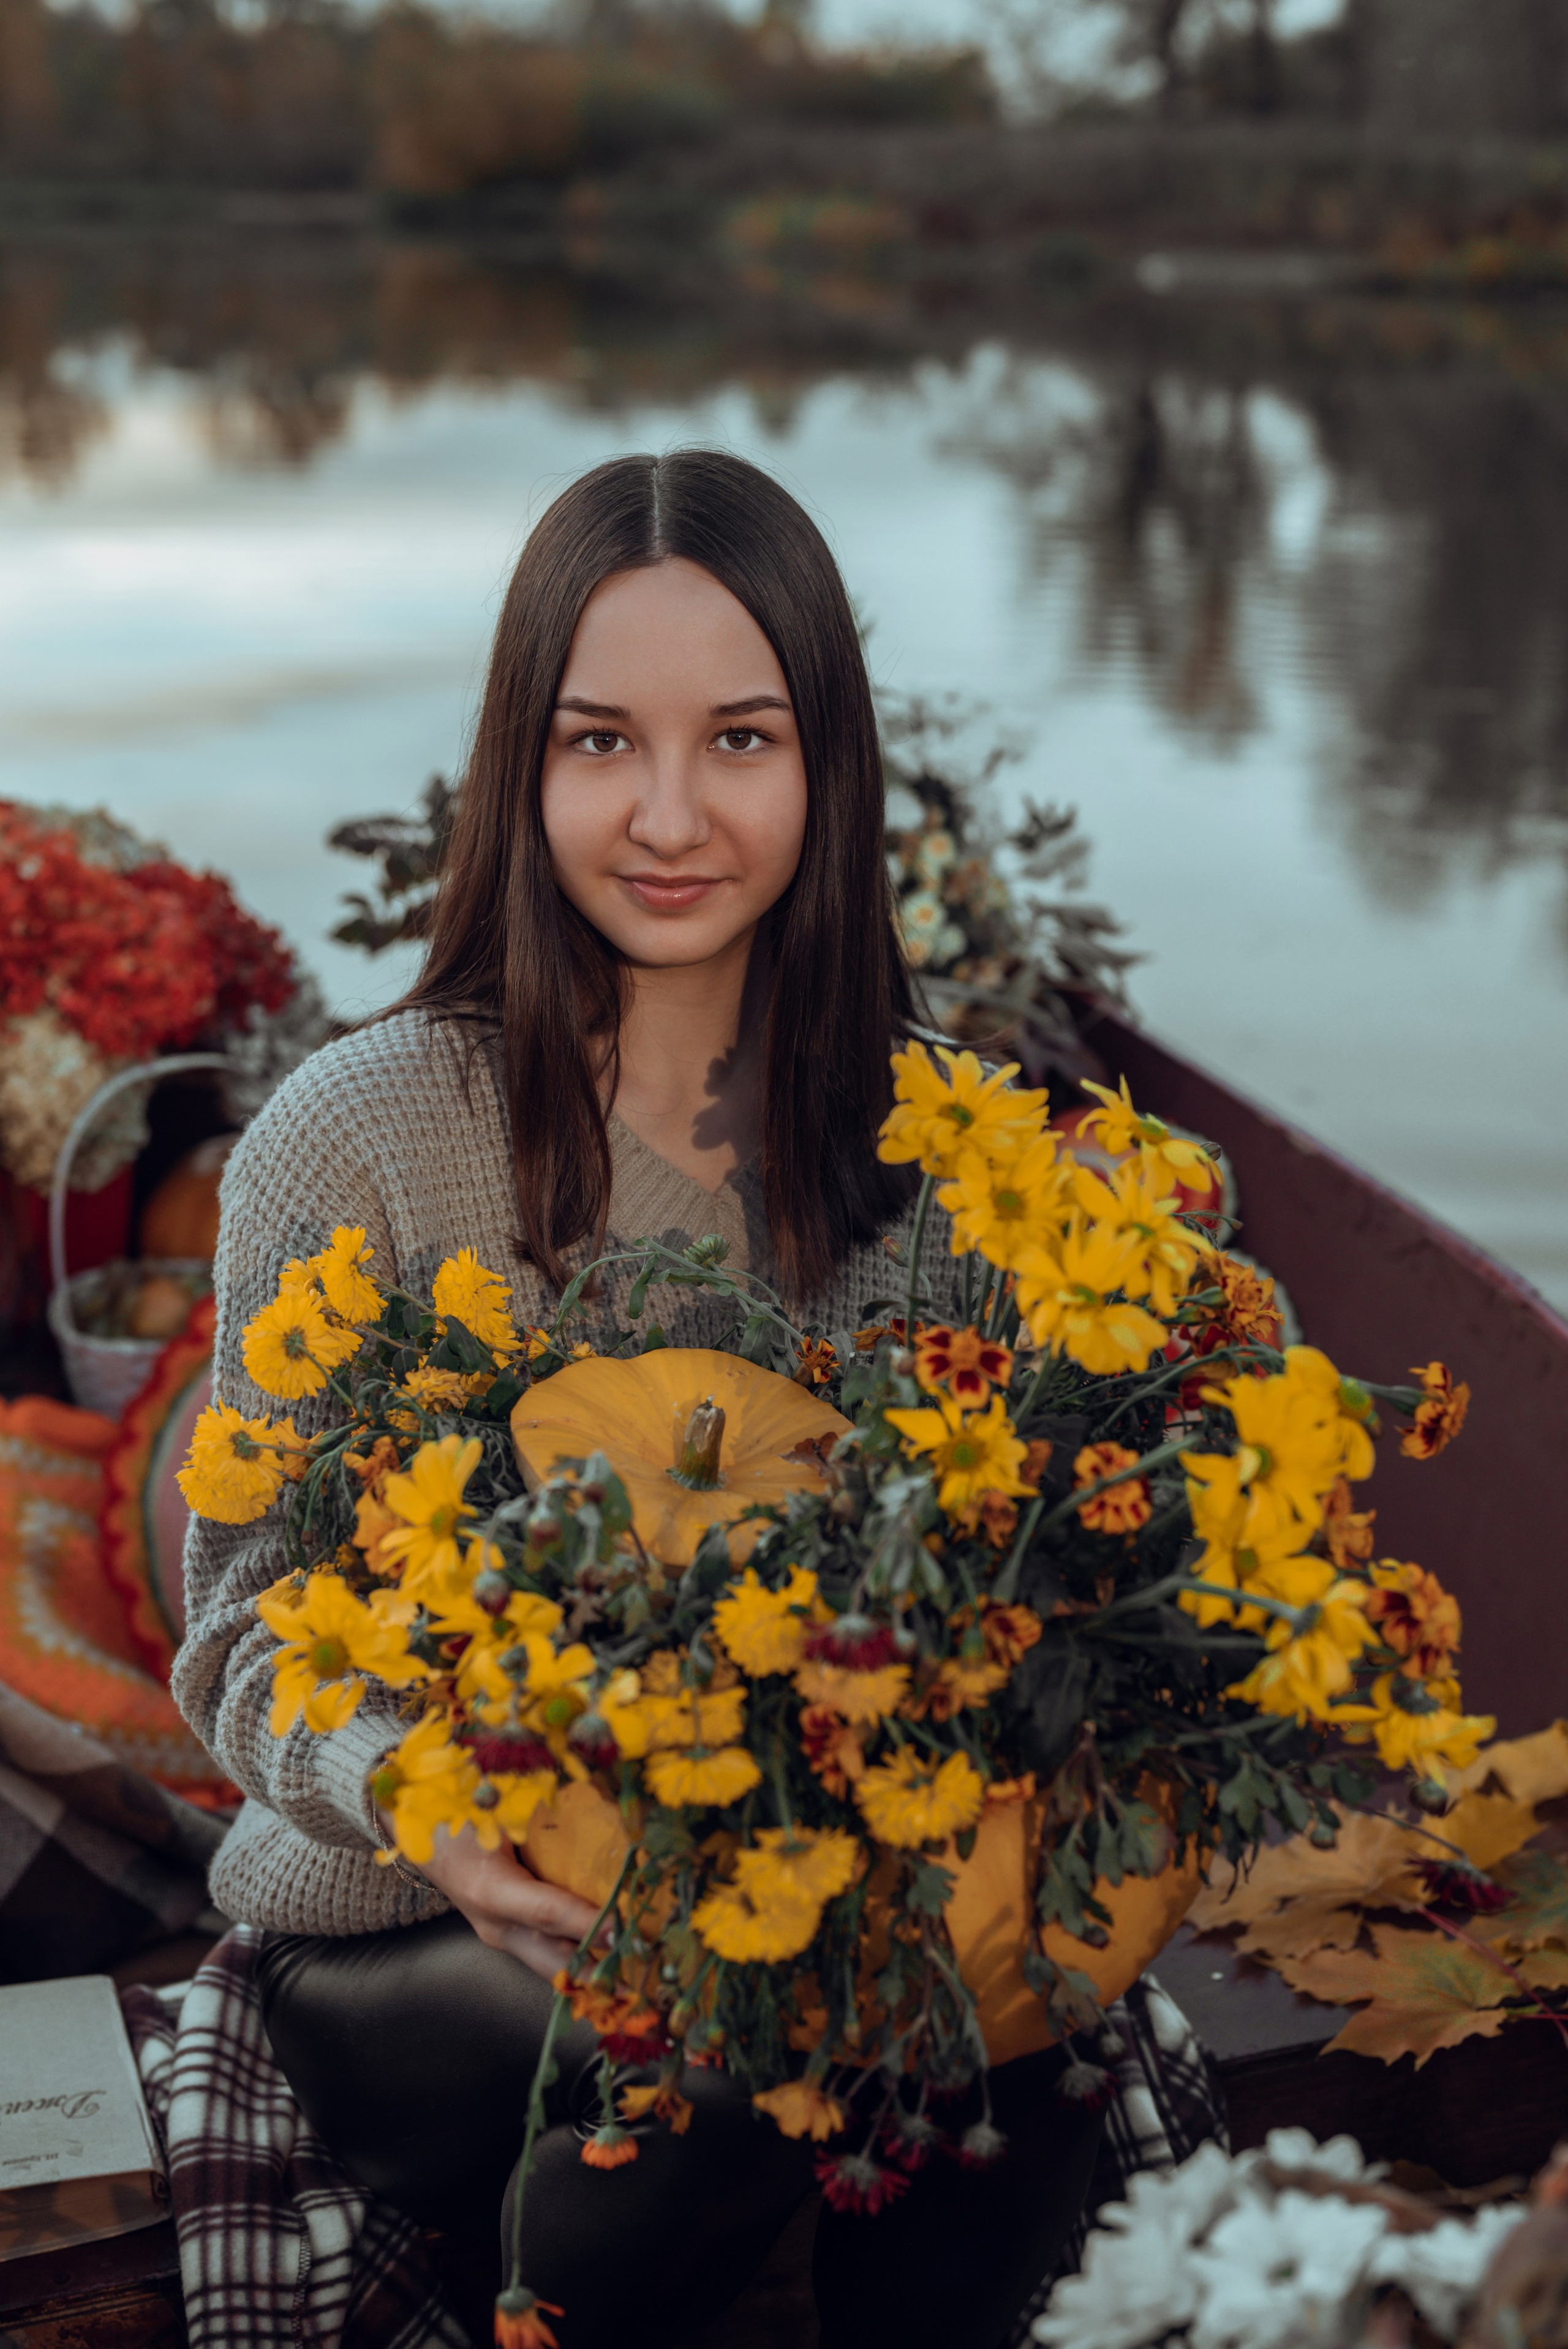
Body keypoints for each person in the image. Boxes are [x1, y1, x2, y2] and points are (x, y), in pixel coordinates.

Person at [173, 450, 1102, 2349]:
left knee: (1024, 2051)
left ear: (823, 767)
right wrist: (422, 1805)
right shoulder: (352, 1144)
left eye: (740, 739)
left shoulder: (953, 1160)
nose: (668, 813)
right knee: (703, 2033)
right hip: (422, 1926)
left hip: (814, 1881)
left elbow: (1022, 1581)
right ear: (524, 765)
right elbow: (239, 1628)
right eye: (601, 740)